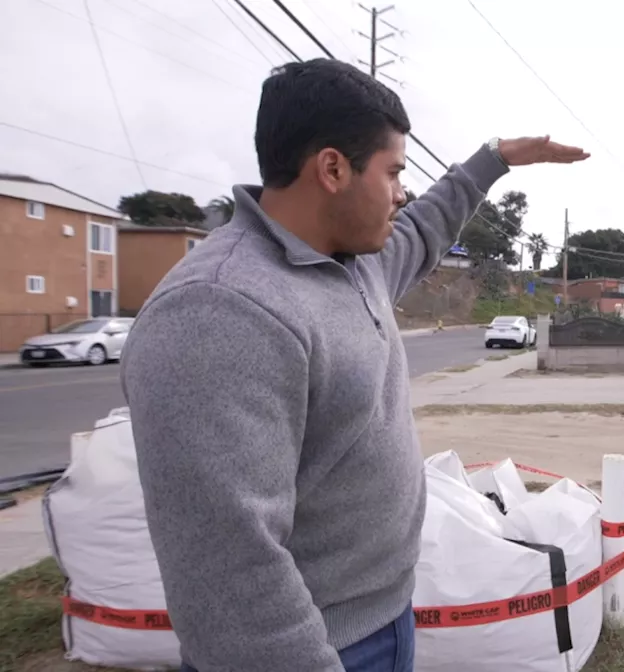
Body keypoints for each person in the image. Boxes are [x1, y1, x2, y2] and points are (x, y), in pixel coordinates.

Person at [121, 58, 588, 672]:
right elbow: (227, 569)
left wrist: (492, 159)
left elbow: (424, 227)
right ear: (333, 168)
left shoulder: (352, 261)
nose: (402, 192)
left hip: (388, 613)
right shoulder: (220, 311)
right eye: (394, 172)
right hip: (316, 645)